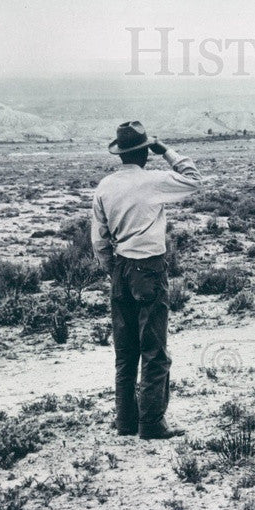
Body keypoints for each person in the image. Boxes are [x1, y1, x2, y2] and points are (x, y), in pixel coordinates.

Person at [91, 120, 202, 439]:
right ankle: (151, 423)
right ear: (144, 153)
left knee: (125, 351)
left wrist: (111, 268)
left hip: (121, 268)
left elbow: (98, 238)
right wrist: (166, 150)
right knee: (154, 348)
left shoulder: (105, 186)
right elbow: (193, 180)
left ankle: (126, 421)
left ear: (121, 153)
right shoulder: (154, 180)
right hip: (149, 268)